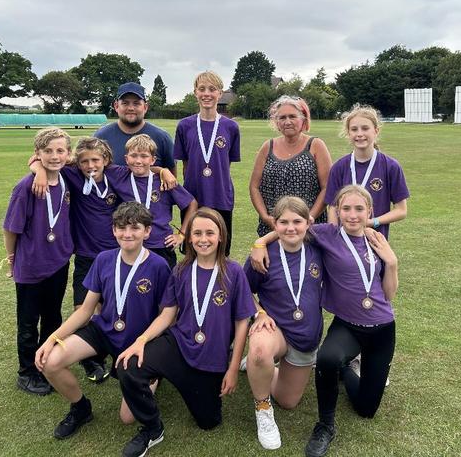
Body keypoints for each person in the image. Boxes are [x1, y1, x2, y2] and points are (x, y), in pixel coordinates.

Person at [251, 185, 399, 457]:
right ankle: (325, 426)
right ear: (337, 211)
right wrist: (260, 243)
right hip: (348, 326)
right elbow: (290, 226)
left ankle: (346, 371)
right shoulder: (327, 234)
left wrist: (392, 263)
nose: (352, 215)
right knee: (328, 358)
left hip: (382, 329)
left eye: (359, 209)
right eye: (346, 208)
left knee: (366, 409)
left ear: (370, 211)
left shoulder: (377, 240)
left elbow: (389, 295)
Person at [29, 137, 178, 381]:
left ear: (106, 160)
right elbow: (40, 159)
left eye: (95, 160)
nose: (90, 165)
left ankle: (141, 356)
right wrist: (39, 171)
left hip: (116, 255)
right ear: (78, 162)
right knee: (84, 310)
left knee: (123, 308)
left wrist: (163, 171)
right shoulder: (73, 173)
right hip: (87, 256)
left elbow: (142, 166)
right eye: (84, 161)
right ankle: (92, 361)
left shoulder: (115, 173)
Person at [116, 208, 256, 457]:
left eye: (210, 233)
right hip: (178, 345)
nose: (203, 239)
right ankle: (153, 428)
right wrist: (141, 341)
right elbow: (167, 314)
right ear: (189, 237)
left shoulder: (233, 272)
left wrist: (233, 368)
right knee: (128, 366)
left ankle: (175, 382)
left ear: (221, 236)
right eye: (197, 233)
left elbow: (242, 322)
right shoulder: (181, 270)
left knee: (209, 422)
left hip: (211, 359)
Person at [34, 202, 171, 439]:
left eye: (135, 228)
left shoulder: (159, 265)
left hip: (139, 341)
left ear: (147, 231)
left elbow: (166, 314)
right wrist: (52, 339)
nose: (127, 234)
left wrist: (145, 342)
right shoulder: (104, 259)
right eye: (121, 228)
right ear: (114, 230)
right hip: (105, 330)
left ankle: (152, 374)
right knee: (50, 362)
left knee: (127, 418)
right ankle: (80, 408)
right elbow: (86, 310)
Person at [244, 196, 323, 450]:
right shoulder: (261, 256)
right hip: (274, 329)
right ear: (274, 224)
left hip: (305, 336)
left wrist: (261, 239)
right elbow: (243, 292)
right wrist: (260, 313)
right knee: (259, 350)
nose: (291, 228)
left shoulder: (319, 247)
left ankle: (260, 367)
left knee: (288, 401)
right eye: (283, 222)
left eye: (297, 221)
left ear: (308, 223)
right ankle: (263, 407)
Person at [3, 128, 73, 396]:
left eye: (60, 151)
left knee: (53, 316)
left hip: (58, 262)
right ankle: (26, 372)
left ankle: (46, 364)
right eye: (48, 151)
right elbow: (10, 228)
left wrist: (40, 168)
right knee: (28, 321)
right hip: (31, 266)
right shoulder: (26, 187)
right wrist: (12, 259)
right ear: (38, 154)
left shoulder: (67, 178)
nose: (54, 156)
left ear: (68, 154)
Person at [173, 71, 241, 255]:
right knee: (192, 252)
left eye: (212, 89)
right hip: (193, 198)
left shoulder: (231, 127)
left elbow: (226, 164)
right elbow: (185, 164)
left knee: (220, 253)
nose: (207, 94)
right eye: (202, 89)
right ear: (195, 92)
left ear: (220, 93)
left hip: (221, 197)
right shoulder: (184, 126)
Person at [107, 134, 198, 269]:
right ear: (126, 159)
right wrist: (162, 169)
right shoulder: (120, 175)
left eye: (144, 156)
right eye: (133, 156)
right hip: (131, 243)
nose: (138, 161)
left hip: (161, 245)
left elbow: (192, 204)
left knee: (164, 281)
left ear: (153, 159)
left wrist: (182, 235)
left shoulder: (165, 181)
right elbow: (96, 163)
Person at [250, 95, 332, 237]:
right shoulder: (268, 147)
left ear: (303, 119)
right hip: (273, 228)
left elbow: (327, 187)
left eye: (292, 116)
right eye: (282, 118)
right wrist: (265, 217)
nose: (287, 122)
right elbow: (254, 187)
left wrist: (309, 218)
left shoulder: (315, 145)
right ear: (276, 122)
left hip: (309, 229)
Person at [325, 103, 409, 239]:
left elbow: (401, 210)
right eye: (354, 129)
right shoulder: (339, 167)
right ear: (348, 133)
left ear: (376, 131)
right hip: (344, 243)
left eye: (365, 128)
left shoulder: (391, 166)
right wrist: (334, 240)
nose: (359, 134)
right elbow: (333, 208)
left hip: (375, 241)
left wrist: (372, 222)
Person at [94, 82, 176, 174]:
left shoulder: (162, 138)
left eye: (136, 103)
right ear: (116, 106)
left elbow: (171, 176)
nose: (131, 108)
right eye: (125, 103)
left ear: (145, 107)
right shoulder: (101, 137)